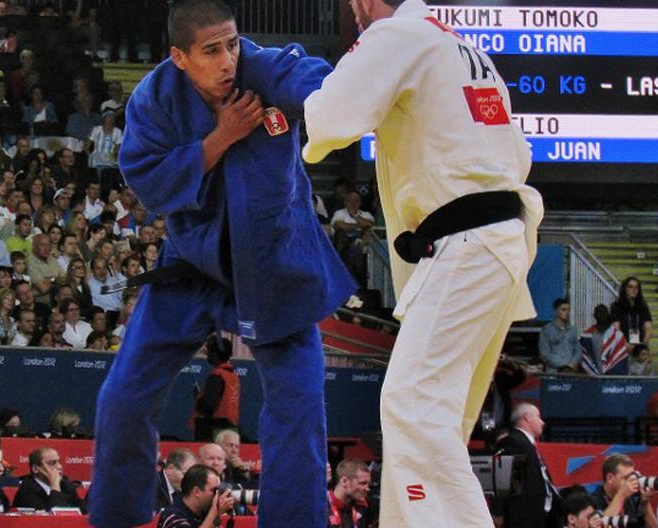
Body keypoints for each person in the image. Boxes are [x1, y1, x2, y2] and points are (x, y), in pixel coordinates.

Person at [88, 2, 355, 527]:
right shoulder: (154, 99)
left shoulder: (263, 70)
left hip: (276, 266)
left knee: (298, 404)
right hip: (191, 267)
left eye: (232, 43)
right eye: (211, 50)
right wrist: (221, 137)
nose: (228, 59)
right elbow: (150, 182)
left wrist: (333, 96)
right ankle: (118, 516)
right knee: (123, 395)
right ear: (180, 58)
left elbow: (309, 77)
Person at [301, 1, 542, 526]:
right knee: (437, 420)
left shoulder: (397, 36)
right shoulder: (466, 50)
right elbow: (519, 156)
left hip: (467, 243)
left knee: (412, 405)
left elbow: (327, 120)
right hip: (500, 242)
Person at [495, 403, 562, 528]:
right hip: (523, 517)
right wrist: (499, 511)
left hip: (538, 516)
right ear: (527, 417)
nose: (542, 422)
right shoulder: (515, 442)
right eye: (538, 416)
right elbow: (508, 481)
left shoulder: (525, 443)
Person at [590, 454, 658, 528]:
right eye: (626, 478)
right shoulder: (592, 501)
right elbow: (601, 525)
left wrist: (645, 503)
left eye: (632, 476)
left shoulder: (631, 498)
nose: (631, 481)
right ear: (610, 478)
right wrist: (621, 494)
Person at [156, 465, 236, 528]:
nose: (217, 495)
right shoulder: (173, 516)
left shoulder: (205, 515)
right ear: (197, 492)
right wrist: (215, 512)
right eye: (214, 491)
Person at [192, 335, 239, 441]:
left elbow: (209, 405)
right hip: (230, 428)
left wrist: (198, 397)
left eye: (209, 351)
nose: (207, 354)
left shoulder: (217, 376)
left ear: (215, 354)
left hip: (214, 430)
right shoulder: (233, 376)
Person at [12, 447, 84, 512]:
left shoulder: (66, 485)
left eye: (59, 462)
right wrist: (55, 487)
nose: (59, 466)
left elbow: (83, 512)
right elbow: (53, 520)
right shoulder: (28, 489)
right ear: (35, 469)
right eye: (52, 463)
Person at [539, 298, 582, 372]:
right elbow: (545, 354)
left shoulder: (573, 330)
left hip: (571, 373)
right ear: (556, 311)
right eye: (563, 310)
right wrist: (564, 364)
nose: (567, 312)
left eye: (568, 310)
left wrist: (573, 363)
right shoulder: (547, 330)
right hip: (553, 373)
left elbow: (578, 350)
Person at [328, 459, 371, 528]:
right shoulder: (320, 507)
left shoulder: (362, 508)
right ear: (344, 481)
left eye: (368, 484)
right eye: (362, 483)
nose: (367, 488)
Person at [156, 448, 198, 512]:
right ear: (170, 468)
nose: (189, 481)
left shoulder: (184, 490)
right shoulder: (152, 486)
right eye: (185, 475)